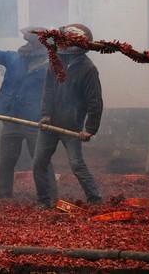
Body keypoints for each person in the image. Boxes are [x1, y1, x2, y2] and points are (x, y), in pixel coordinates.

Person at [0, 28, 57, 199]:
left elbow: (54, 94)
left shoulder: (50, 67)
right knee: (7, 161)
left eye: (31, 42)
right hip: (11, 119)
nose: (27, 47)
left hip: (34, 121)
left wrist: (49, 115)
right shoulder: (15, 59)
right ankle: (4, 195)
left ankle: (49, 196)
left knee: (40, 161)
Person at [33, 24, 104, 208]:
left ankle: (95, 199)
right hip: (50, 124)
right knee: (39, 163)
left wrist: (90, 129)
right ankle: (44, 200)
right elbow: (48, 90)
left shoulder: (88, 69)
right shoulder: (55, 61)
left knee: (76, 165)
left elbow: (95, 102)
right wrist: (46, 114)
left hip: (72, 125)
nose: (63, 51)